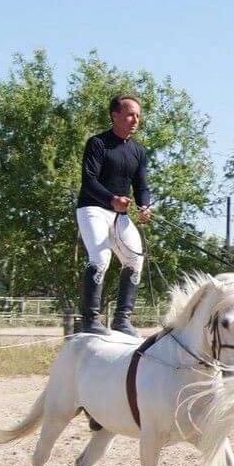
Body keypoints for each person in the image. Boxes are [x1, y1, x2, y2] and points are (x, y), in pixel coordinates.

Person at [76, 95, 152, 336]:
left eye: (138, 115)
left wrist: (144, 206)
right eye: (130, 114)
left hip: (118, 214)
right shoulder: (98, 143)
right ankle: (90, 320)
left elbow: (142, 185)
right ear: (115, 115)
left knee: (135, 258)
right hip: (92, 209)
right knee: (100, 258)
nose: (135, 120)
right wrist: (111, 199)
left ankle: (122, 319)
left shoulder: (138, 151)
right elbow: (88, 181)